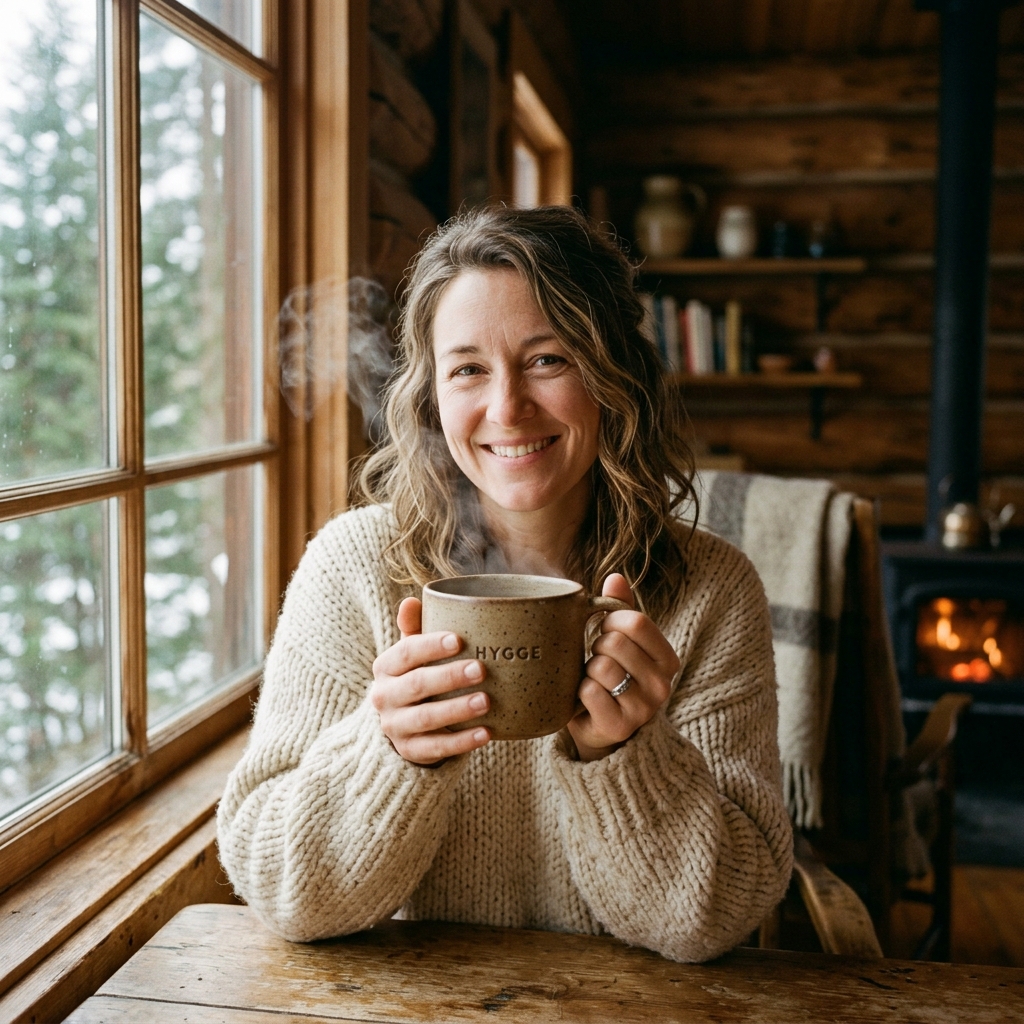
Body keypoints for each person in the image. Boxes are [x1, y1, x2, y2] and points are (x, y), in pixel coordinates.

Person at [217, 205, 793, 963]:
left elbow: (715, 918)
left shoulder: (710, 591)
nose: (506, 409)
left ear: (614, 375)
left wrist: (623, 762)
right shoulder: (353, 567)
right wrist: (388, 751)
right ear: (430, 395)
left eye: (548, 359)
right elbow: (287, 893)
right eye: (468, 370)